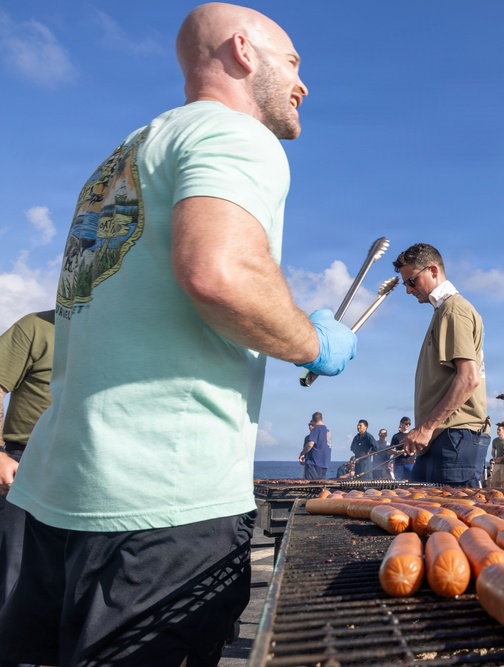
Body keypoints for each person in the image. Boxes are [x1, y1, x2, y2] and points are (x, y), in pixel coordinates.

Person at [0, 5, 359, 666]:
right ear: (245, 52)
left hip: (50, 499)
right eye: (295, 62)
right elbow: (218, 271)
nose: (304, 82)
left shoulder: (121, 160)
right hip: (161, 506)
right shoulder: (236, 134)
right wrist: (315, 341)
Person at [393, 243, 489, 485]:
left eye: (412, 281)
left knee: (450, 520)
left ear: (433, 270)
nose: (408, 290)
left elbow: (469, 378)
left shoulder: (453, 310)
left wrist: (426, 427)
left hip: (455, 438)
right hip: (441, 439)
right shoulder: (442, 311)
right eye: (405, 283)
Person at [0, 310, 55, 618]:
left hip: (94, 469)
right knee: (14, 577)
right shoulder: (37, 326)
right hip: (27, 464)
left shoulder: (117, 333)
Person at [298, 413, 331, 480]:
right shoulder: (327, 431)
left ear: (313, 420)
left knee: (310, 487)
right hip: (324, 464)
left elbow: (310, 444)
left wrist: (302, 453)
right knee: (319, 486)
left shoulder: (316, 430)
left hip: (313, 464)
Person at [390, 417, 414, 481]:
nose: (408, 425)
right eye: (406, 423)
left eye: (409, 424)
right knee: (398, 483)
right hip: (399, 463)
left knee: (412, 482)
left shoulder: (412, 435)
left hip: (410, 462)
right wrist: (399, 452)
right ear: (401, 424)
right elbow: (391, 449)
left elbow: (416, 448)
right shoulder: (395, 436)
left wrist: (410, 451)